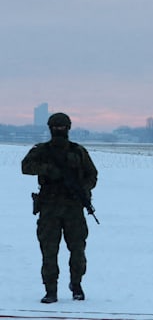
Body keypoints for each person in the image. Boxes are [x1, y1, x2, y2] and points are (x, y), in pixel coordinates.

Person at [21, 112, 98, 304]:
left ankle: (76, 285)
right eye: (56, 127)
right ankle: (51, 289)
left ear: (68, 128)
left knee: (78, 249)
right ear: (50, 129)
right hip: (49, 208)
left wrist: (81, 189)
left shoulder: (78, 151)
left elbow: (92, 175)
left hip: (73, 208)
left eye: (62, 127)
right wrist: (48, 170)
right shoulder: (42, 151)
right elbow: (25, 166)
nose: (59, 130)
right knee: (49, 250)